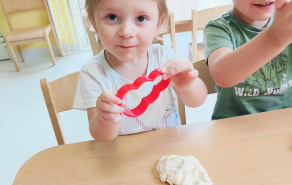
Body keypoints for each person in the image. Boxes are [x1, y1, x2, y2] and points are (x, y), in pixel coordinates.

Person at [73, 0, 207, 141]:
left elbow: (196, 101)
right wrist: (104, 119)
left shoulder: (164, 58)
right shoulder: (93, 72)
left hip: (169, 147)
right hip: (124, 156)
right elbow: (101, 136)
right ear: (94, 22)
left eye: (140, 18)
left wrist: (189, 85)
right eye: (112, 17)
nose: (126, 32)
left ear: (158, 23)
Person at [205, 0, 292, 120]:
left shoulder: (289, 21)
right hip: (234, 128)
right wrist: (276, 37)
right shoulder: (219, 28)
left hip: (284, 123)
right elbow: (222, 75)